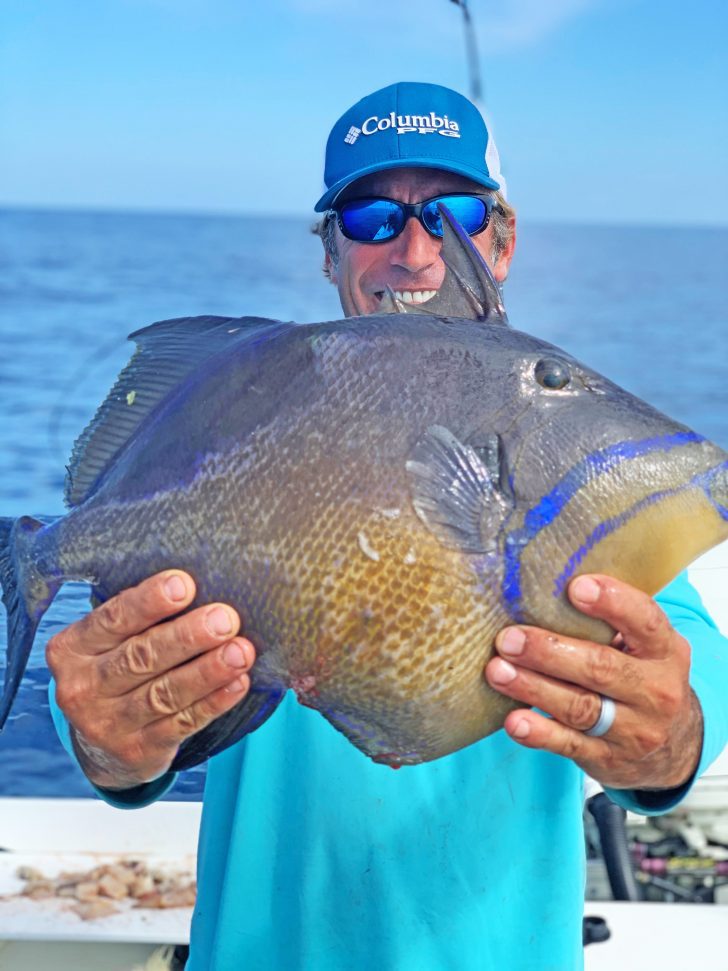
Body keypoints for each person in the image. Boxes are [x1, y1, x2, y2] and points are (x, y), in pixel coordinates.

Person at [47, 82, 728, 970]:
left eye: (454, 213)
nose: (415, 251)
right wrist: (110, 743)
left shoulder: (553, 450)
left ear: (504, 240)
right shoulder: (255, 398)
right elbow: (111, 707)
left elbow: (686, 677)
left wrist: (668, 738)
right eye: (373, 217)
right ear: (330, 252)